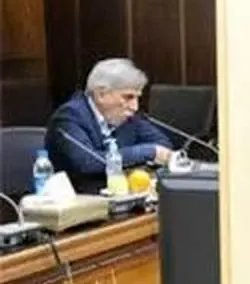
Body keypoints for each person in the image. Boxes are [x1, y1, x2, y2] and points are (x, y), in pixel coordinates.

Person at [44, 58, 173, 192]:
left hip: (122, 195)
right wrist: (146, 152)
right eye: (128, 97)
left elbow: (163, 145)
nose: (135, 107)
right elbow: (88, 162)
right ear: (101, 94)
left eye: (137, 98)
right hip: (82, 198)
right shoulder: (69, 117)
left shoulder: (127, 116)